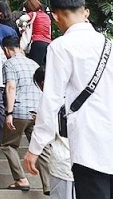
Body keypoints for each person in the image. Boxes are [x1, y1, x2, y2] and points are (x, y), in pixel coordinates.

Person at [24, 0, 113, 199]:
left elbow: (51, 100)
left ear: (55, 16)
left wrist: (35, 147)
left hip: (89, 144)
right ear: (86, 12)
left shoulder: (61, 47)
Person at [0, 35, 44, 192]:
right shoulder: (34, 63)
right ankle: (48, 184)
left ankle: (21, 179)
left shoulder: (9, 64)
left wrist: (9, 112)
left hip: (19, 110)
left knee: (8, 145)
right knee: (41, 147)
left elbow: (11, 87)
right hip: (37, 111)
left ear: (6, 49)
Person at [34, 66, 76, 199]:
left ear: (43, 84)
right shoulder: (76, 95)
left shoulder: (49, 102)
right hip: (84, 161)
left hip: (61, 161)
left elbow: (46, 131)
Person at [23, 0, 53, 66]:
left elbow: (23, 18)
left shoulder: (32, 12)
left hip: (37, 41)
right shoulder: (45, 11)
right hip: (48, 41)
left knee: (35, 66)